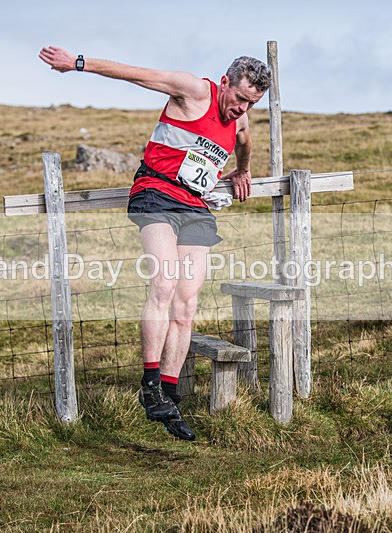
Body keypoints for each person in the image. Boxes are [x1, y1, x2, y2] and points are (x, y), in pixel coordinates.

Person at [39, 46, 270, 440]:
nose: (242, 109)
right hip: (157, 194)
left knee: (188, 300)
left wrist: (243, 172)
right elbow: (132, 72)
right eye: (240, 99)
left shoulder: (241, 118)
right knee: (164, 283)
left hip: (195, 206)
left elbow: (245, 141)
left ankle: (168, 393)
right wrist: (76, 63)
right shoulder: (192, 90)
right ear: (225, 82)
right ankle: (148, 385)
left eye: (252, 103)